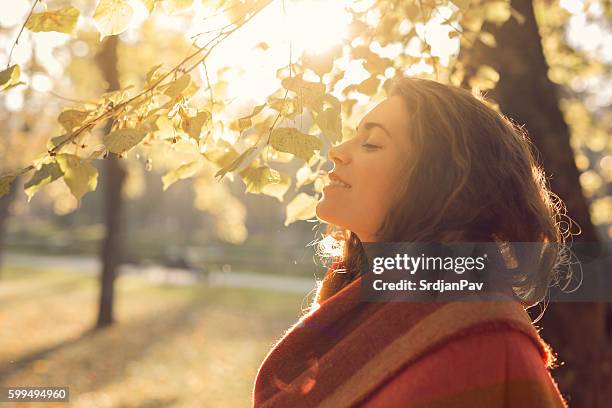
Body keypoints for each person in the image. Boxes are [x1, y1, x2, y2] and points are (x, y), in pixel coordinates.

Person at [253, 77, 569, 407]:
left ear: (440, 182)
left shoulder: (481, 339)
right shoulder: (353, 307)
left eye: (372, 143)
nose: (336, 152)